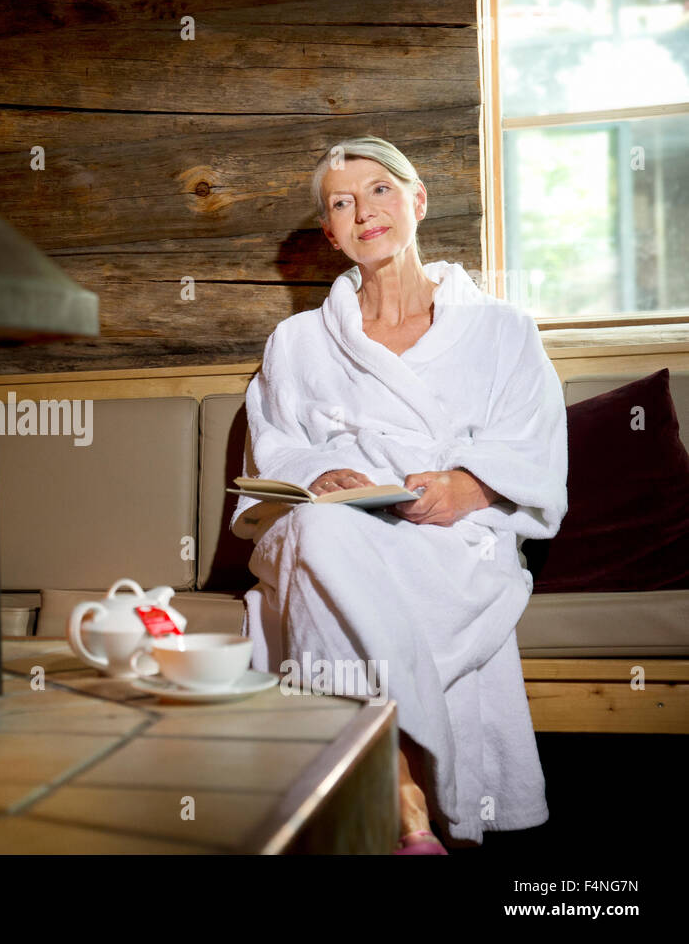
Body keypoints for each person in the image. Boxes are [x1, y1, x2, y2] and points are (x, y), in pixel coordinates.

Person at [229, 135, 568, 853]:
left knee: (328, 557)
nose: (364, 211)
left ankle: (390, 802)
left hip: (450, 540)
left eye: (380, 190)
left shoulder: (502, 331)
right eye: (341, 203)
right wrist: (317, 476)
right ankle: (408, 804)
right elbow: (275, 446)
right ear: (330, 231)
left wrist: (464, 486)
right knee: (322, 533)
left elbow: (534, 449)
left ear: (418, 200)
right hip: (333, 528)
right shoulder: (297, 343)